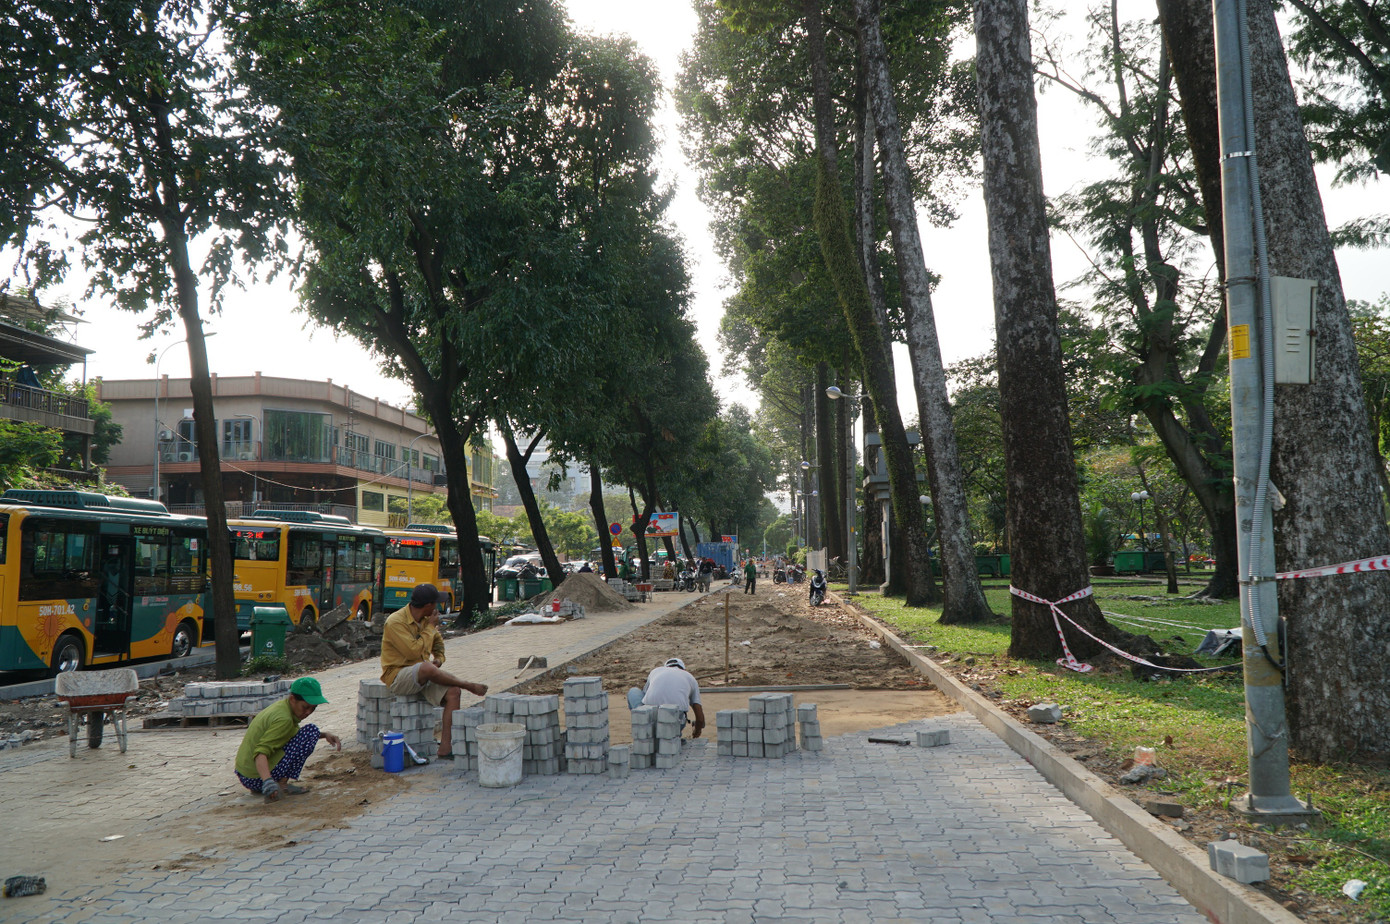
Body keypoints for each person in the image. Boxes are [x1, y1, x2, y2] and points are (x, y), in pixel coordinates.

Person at [381, 583, 488, 760]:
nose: (437, 607)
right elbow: (413, 652)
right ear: (427, 605)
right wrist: (430, 628)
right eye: (435, 603)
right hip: (398, 677)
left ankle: (445, 748)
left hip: (423, 674)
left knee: (453, 692)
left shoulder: (425, 620)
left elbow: (438, 644)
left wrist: (438, 659)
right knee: (426, 667)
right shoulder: (395, 622)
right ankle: (468, 685)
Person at [234, 676, 341, 803]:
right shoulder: (284, 719)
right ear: (292, 699)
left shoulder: (282, 708)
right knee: (311, 731)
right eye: (305, 707)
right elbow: (260, 753)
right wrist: (268, 782)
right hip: (255, 778)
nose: (308, 712)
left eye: (313, 708)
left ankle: (268, 782)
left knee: (311, 733)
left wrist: (324, 735)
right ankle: (281, 785)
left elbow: (292, 735)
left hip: (246, 775)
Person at [626, 657, 705, 738]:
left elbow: (645, 696)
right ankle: (674, 737)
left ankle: (642, 724)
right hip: (674, 725)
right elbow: (700, 719)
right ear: (683, 669)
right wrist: (696, 732)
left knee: (633, 691)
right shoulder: (690, 678)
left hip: (649, 720)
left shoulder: (656, 671)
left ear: (665, 667)